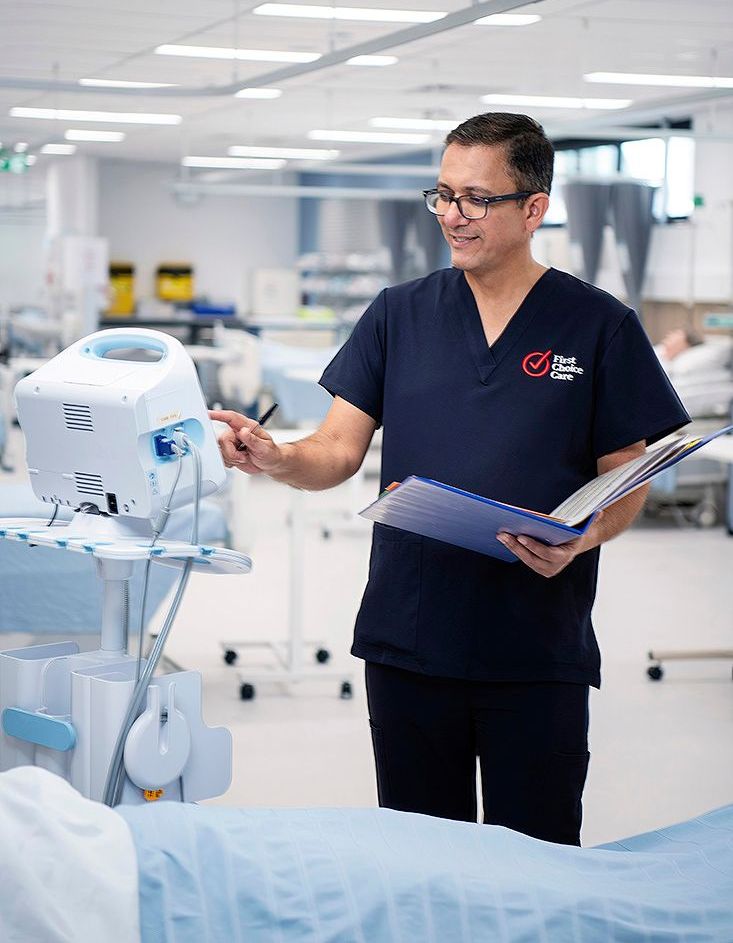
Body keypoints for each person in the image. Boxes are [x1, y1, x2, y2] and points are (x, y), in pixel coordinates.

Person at [211, 113, 690, 846]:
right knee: (419, 862)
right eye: (441, 195)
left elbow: (625, 476)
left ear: (533, 208)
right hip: (409, 639)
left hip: (535, 648)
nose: (451, 217)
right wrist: (275, 457)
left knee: (536, 864)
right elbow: (337, 449)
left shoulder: (597, 326)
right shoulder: (399, 314)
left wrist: (581, 536)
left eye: (475, 199)